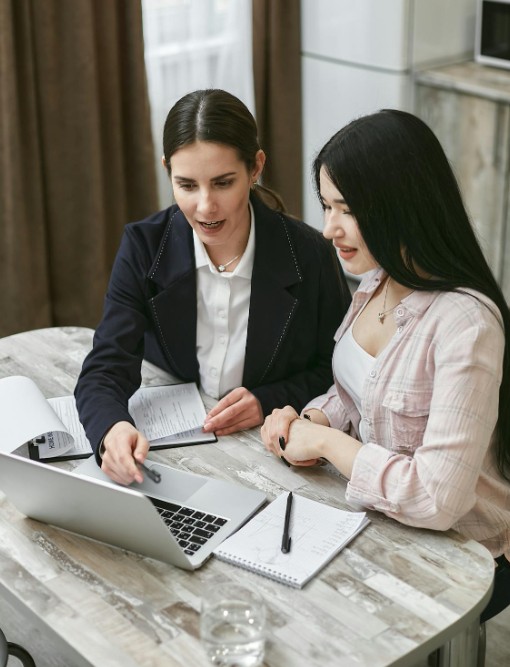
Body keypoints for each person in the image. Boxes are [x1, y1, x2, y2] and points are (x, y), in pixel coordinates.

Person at [261, 109, 510, 622]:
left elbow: (437, 500)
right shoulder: (376, 281)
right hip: (382, 521)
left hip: (465, 556)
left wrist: (331, 445)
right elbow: (358, 393)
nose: (330, 229)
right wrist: (311, 421)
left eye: (347, 210)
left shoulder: (465, 324)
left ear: (401, 205)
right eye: (327, 206)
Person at [75, 89, 351, 487]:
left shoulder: (309, 254)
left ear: (256, 167)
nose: (205, 207)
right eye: (186, 185)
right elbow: (105, 366)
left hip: (276, 462)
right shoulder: (143, 247)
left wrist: (267, 399)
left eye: (223, 183)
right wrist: (111, 431)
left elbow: (336, 371)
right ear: (167, 169)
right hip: (179, 459)